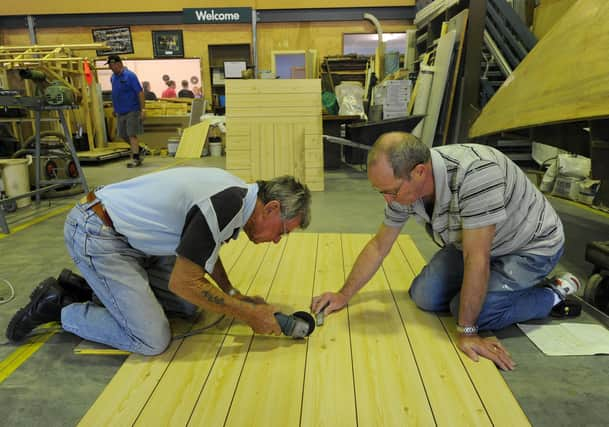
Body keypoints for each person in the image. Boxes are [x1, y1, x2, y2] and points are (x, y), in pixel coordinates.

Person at [311, 132, 571, 371]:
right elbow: (380, 245)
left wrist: (469, 331)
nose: (387, 201)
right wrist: (344, 294)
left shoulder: (477, 173)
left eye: (390, 192)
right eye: (382, 193)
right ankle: (504, 289)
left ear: (419, 171)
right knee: (424, 296)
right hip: (475, 242)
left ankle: (555, 292)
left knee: (470, 312)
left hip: (528, 247)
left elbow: (476, 258)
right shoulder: (405, 186)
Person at [6, 169, 311, 355]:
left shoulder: (239, 197)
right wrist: (248, 314)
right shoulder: (224, 204)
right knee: (151, 339)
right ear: (271, 208)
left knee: (190, 307)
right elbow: (184, 281)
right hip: (98, 233)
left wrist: (233, 295)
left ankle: (91, 289)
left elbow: (203, 251)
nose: (276, 241)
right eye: (282, 231)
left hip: (132, 239)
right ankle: (60, 307)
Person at [106, 55, 146, 168]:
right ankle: (140, 150)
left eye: (111, 65)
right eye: (109, 65)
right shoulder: (113, 77)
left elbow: (140, 92)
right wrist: (115, 108)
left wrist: (143, 109)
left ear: (118, 64)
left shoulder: (130, 76)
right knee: (122, 134)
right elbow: (116, 93)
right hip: (120, 111)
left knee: (131, 134)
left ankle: (136, 158)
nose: (110, 68)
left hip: (132, 110)